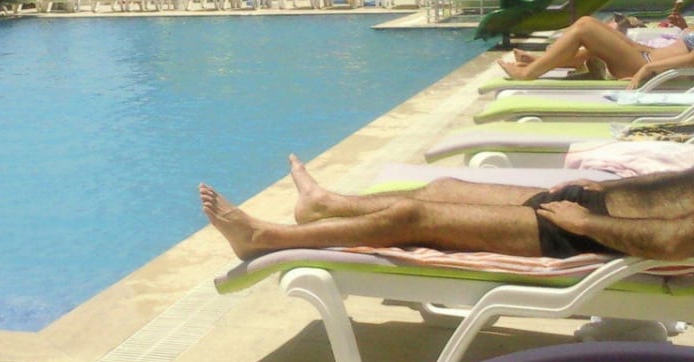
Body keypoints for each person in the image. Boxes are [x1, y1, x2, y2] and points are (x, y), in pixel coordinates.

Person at [200, 154, 694, 262]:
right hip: (591, 207)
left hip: (584, 232)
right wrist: (599, 191)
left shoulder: (586, 225)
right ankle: (325, 204)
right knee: (442, 187)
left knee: (415, 218)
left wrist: (587, 221)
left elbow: (674, 241)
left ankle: (264, 239)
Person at [497, 15, 694, 89]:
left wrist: (647, 69)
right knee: (592, 24)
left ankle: (528, 73)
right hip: (645, 56)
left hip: (645, 67)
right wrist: (684, 27)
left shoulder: (648, 67)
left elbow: (691, 60)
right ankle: (540, 62)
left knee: (585, 27)